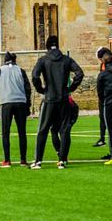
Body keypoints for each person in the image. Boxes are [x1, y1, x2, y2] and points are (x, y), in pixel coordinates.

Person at [30, 35, 84, 170]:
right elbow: (79, 73)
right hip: (64, 99)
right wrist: (71, 88)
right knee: (64, 130)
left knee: (43, 130)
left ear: (47, 47)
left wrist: (41, 89)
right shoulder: (66, 60)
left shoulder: (43, 60)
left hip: (49, 99)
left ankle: (38, 161)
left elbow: (35, 76)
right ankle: (62, 160)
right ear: (58, 46)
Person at [0, 52, 31, 167]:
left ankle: (7, 160)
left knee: (5, 133)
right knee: (22, 132)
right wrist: (28, 104)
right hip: (20, 102)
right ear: (15, 60)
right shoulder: (20, 70)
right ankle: (23, 160)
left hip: (6, 102)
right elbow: (27, 88)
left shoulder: (0, 70)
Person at [93, 48, 107, 148]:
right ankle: (102, 138)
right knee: (102, 117)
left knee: (111, 119)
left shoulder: (109, 66)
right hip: (103, 96)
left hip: (109, 96)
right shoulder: (103, 65)